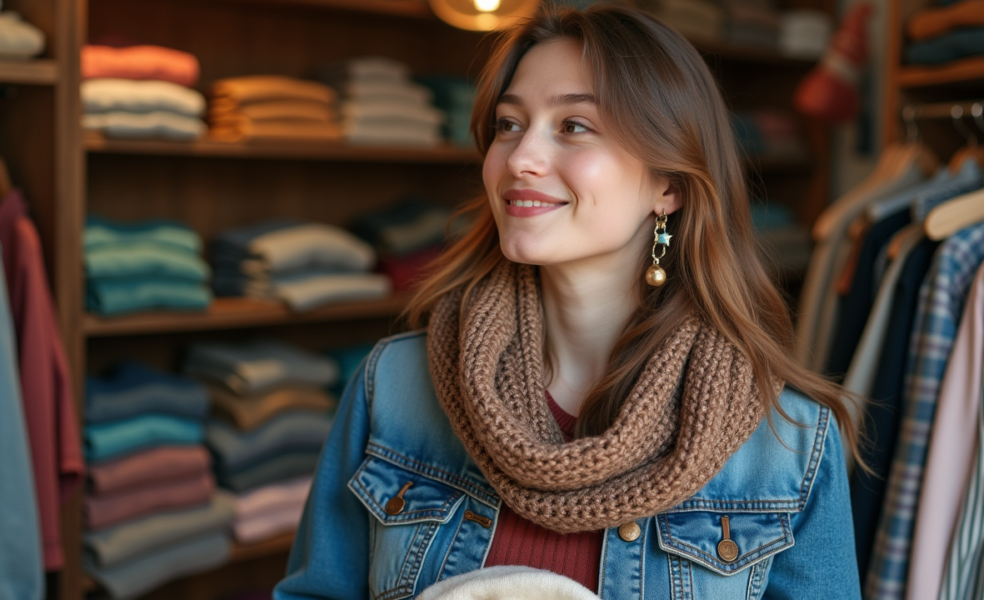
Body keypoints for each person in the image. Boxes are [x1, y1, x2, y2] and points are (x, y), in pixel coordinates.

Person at [275, 5, 863, 599]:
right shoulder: (394, 385)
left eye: (574, 126)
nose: (521, 157)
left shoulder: (785, 440)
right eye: (509, 124)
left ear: (670, 185)